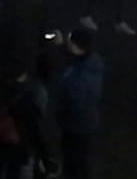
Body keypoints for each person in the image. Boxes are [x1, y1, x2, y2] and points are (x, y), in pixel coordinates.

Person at [54, 27, 104, 179]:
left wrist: (60, 113)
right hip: (87, 121)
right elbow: (74, 58)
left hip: (75, 124)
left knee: (73, 159)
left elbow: (75, 105)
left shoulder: (78, 79)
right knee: (80, 157)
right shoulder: (93, 63)